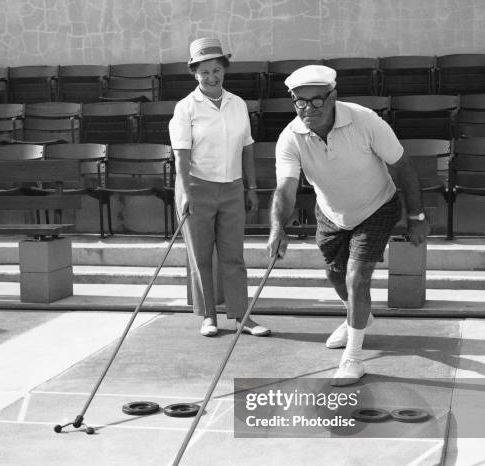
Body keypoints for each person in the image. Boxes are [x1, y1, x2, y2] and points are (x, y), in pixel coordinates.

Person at [267, 65, 428, 385]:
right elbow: (285, 188)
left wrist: (416, 216)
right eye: (300, 101)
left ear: (333, 97)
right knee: (334, 274)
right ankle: (360, 316)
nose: (308, 109)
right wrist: (278, 228)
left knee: (357, 278)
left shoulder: (365, 120)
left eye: (317, 101)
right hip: (331, 212)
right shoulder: (290, 137)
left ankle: (353, 358)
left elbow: (402, 166)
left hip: (377, 206)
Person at [169, 37, 270, 337]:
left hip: (232, 188)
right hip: (195, 186)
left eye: (216, 70)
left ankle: (242, 316)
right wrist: (186, 192)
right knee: (201, 256)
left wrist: (251, 188)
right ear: (194, 74)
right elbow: (181, 156)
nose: (212, 77)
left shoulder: (238, 104)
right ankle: (208, 316)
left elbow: (247, 149)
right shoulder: (185, 108)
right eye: (204, 72)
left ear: (224, 69)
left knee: (233, 255)